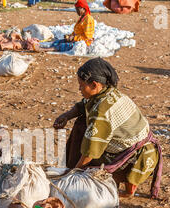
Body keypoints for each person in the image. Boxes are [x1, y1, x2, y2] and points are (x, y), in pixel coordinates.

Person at [53, 58, 162, 198]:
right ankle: (127, 186)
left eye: (81, 86)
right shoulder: (109, 92)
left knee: (85, 137)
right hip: (143, 150)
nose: (79, 89)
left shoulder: (101, 112)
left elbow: (90, 152)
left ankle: (124, 185)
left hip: (134, 157)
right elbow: (84, 105)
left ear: (94, 85)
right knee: (83, 122)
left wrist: (73, 174)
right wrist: (67, 116)